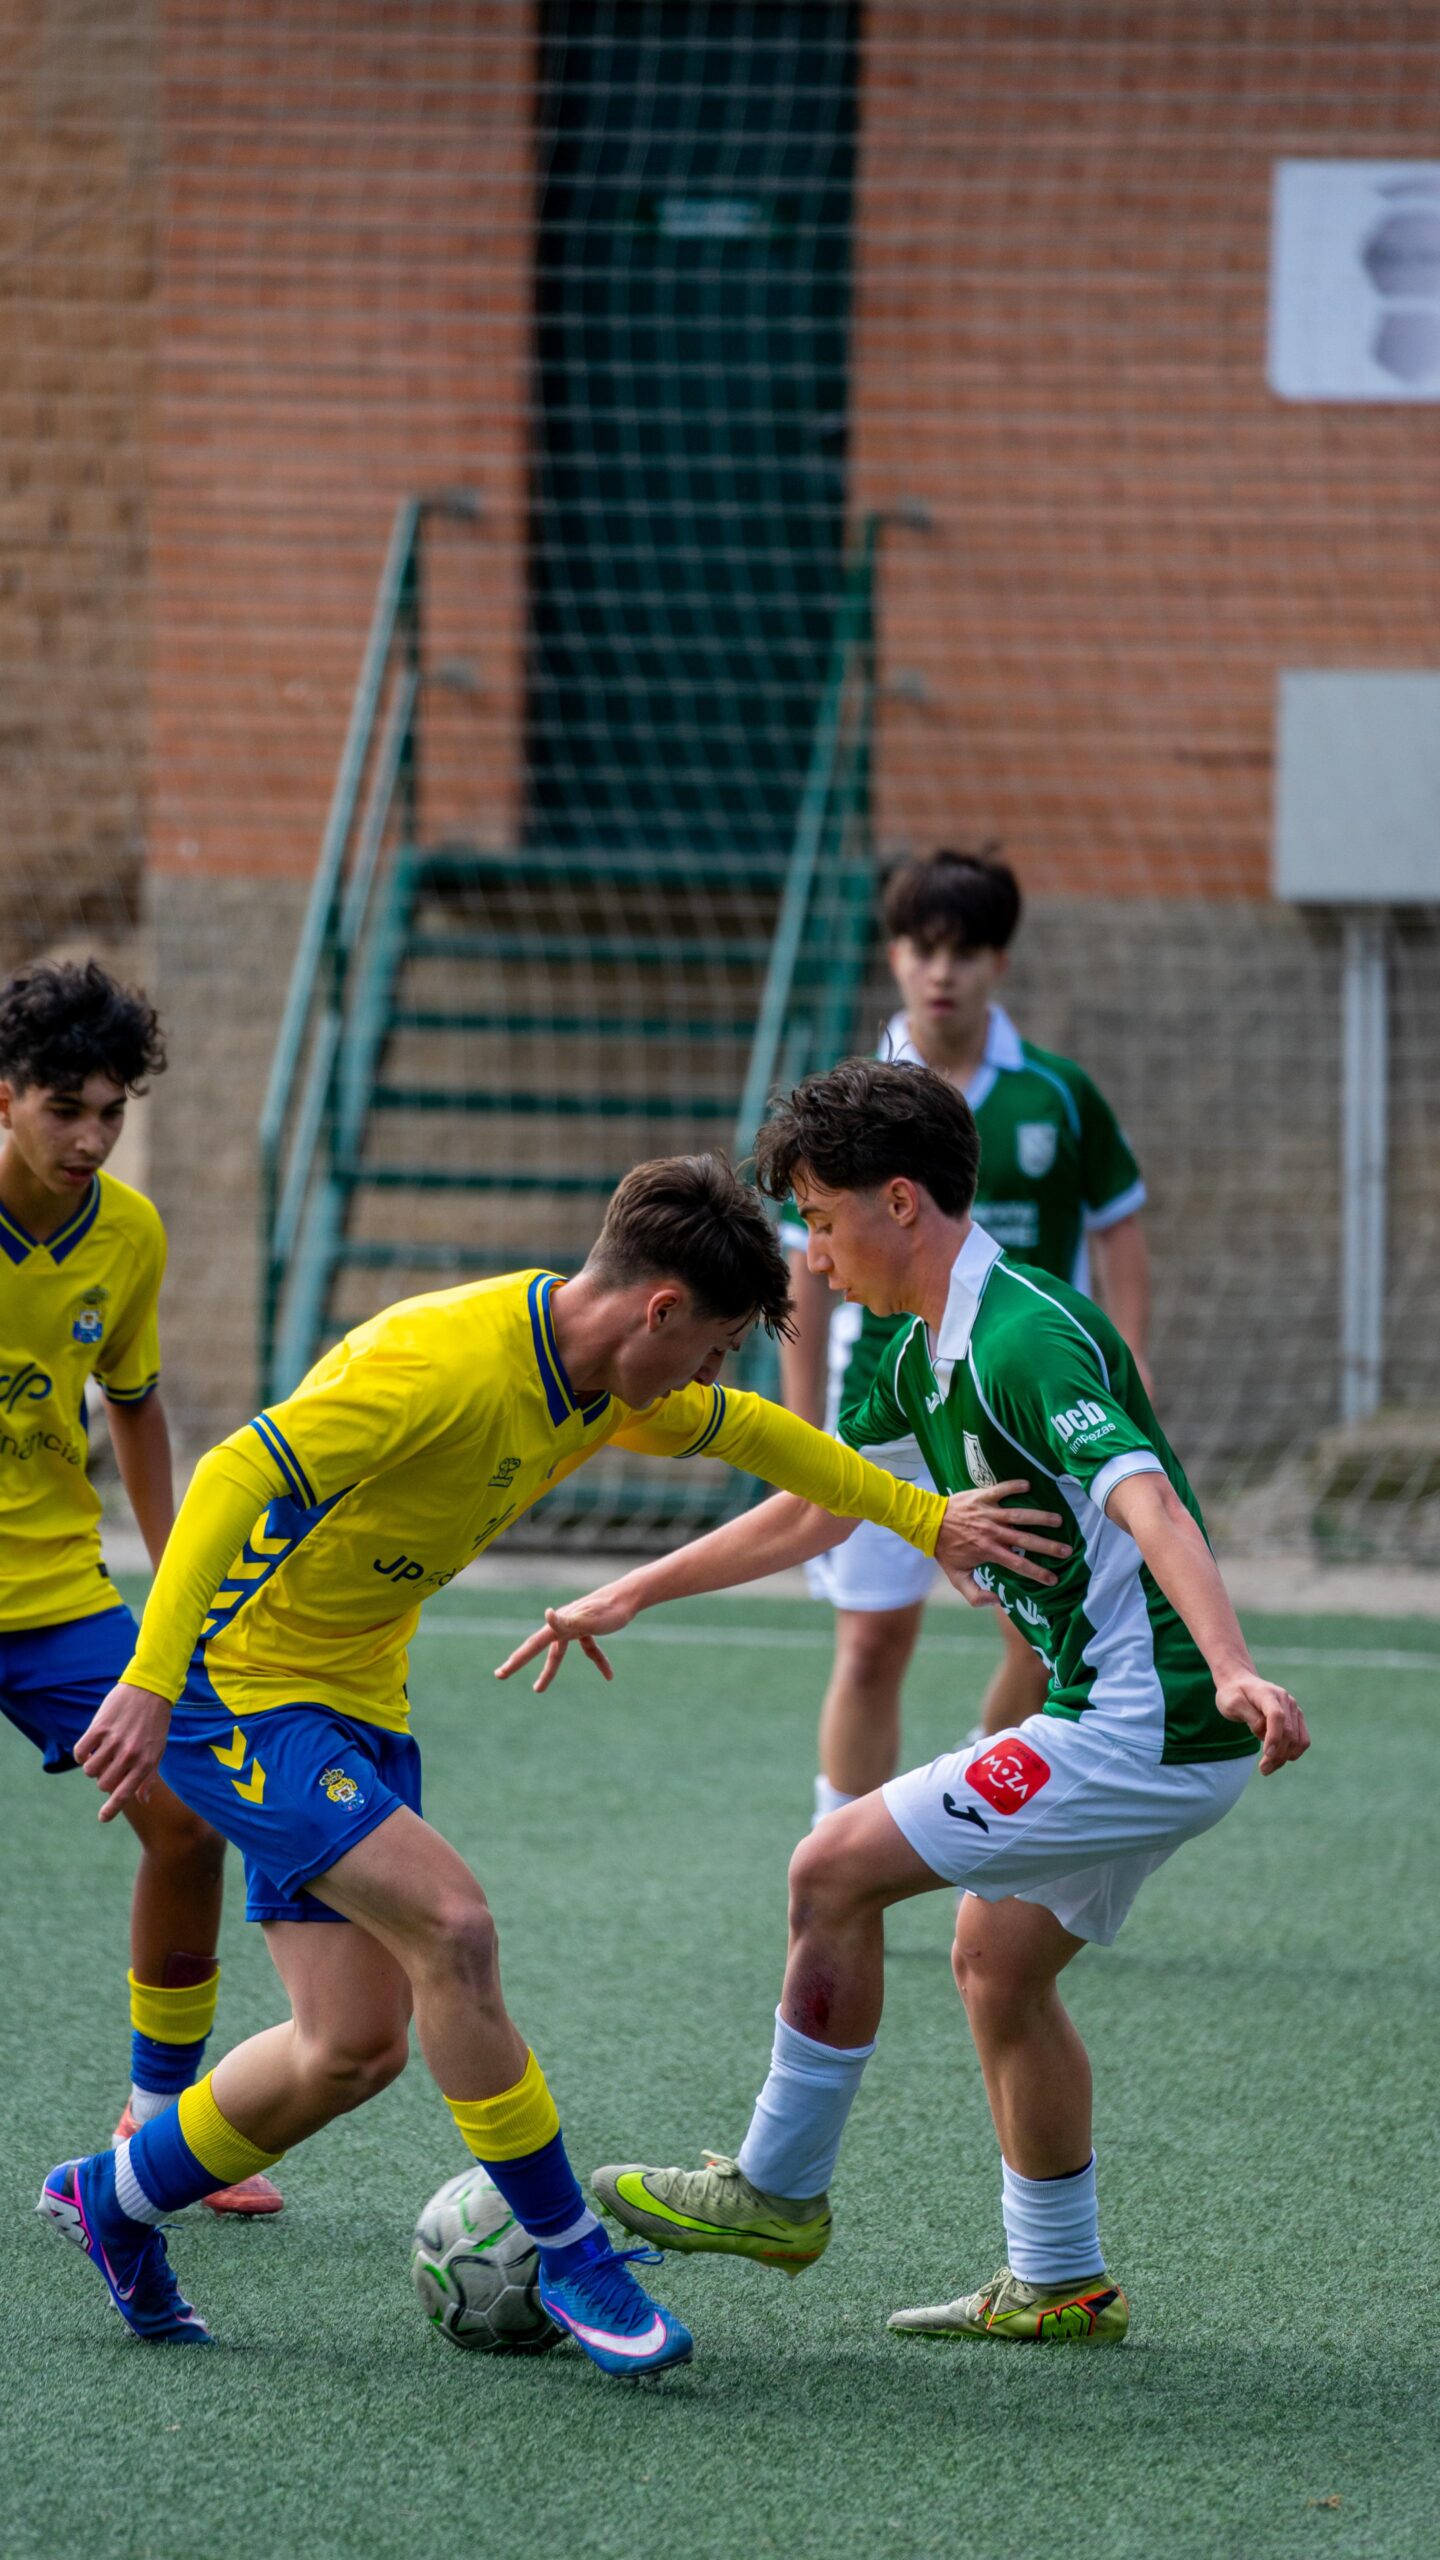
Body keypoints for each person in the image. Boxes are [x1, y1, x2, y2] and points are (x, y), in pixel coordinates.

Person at [37, 1152, 1062, 2373]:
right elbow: (236, 1471)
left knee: (349, 2047)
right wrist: (152, 1681)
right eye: (714, 1343)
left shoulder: (609, 1383)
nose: (709, 1373)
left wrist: (927, 1517)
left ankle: (116, 2201)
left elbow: (761, 1438)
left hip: (354, 1694)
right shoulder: (441, 1360)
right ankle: (570, 2247)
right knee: (455, 1929)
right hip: (234, 1688)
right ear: (660, 1310)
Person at [499, 1063, 1308, 2344]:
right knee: (995, 1964)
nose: (812, 1258)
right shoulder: (907, 1344)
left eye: (821, 1221)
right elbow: (819, 1502)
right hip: (1131, 1719)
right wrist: (636, 1591)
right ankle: (1062, 2280)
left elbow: (1147, 1493)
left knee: (831, 1870)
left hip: (1143, 1721)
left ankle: (776, 2189)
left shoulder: (1022, 1334)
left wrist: (1231, 1660)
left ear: (901, 1200)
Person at [779, 848, 1150, 1826]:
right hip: (884, 1413)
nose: (943, 971)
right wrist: (795, 1431)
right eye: (922, 948)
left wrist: (1134, 1365)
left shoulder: (1058, 1095)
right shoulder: (845, 1109)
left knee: (1041, 1645)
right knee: (869, 1645)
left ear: (1002, 963)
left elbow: (1120, 1224)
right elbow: (802, 1278)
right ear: (893, 956)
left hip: (1012, 1414)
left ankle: (980, 1821)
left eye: (967, 951)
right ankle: (838, 1853)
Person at [0, 960, 279, 2217]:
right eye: (66, 1108)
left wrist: (176, 1584)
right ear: (5, 1098)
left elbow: (135, 1402)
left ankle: (159, 2124)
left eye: (112, 1111)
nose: (92, 1137)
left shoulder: (130, 1230)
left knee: (186, 1815)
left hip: (55, 1590)